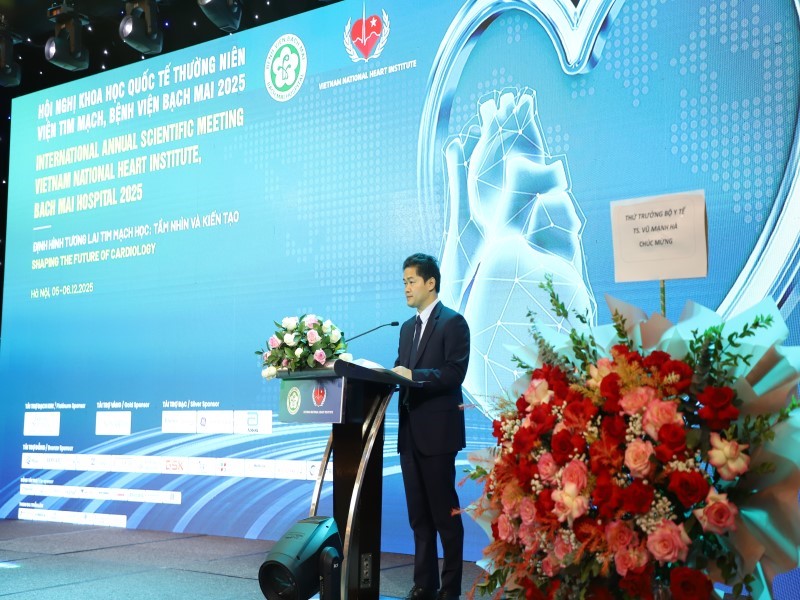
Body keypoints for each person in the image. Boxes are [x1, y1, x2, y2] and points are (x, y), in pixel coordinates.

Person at [391, 253, 470, 600]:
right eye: (404, 282)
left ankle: (450, 589)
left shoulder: (453, 323)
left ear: (430, 282)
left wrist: (413, 375)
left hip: (438, 435)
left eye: (411, 281)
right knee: (419, 517)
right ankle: (424, 585)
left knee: (445, 517)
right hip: (409, 434)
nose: (406, 288)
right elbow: (401, 370)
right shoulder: (406, 328)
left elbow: (454, 373)